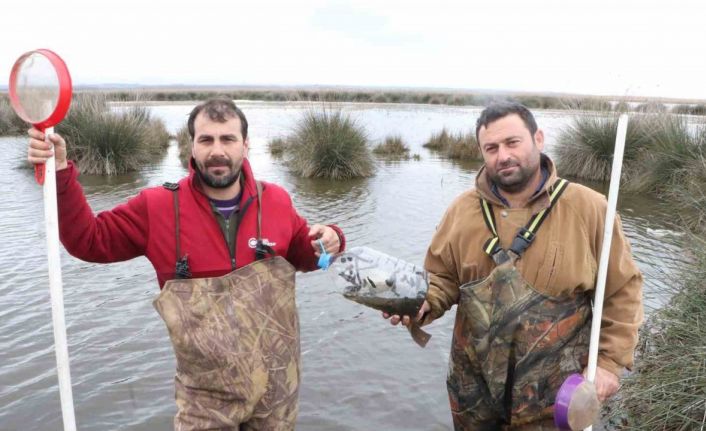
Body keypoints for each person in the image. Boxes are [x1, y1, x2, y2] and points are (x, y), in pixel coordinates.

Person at [27, 97, 345, 431]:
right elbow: (89, 241)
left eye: (228, 139)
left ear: (246, 145)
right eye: (206, 140)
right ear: (191, 146)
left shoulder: (276, 200)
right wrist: (60, 172)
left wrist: (330, 239)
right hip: (205, 404)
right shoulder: (158, 206)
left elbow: (305, 254)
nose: (217, 151)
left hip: (278, 394)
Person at [386, 102, 643, 429]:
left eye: (512, 142)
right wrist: (418, 305)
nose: (502, 155)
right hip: (473, 397)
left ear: (538, 138)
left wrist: (608, 363)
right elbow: (441, 279)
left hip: (555, 399)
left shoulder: (590, 209)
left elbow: (623, 292)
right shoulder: (461, 211)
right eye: (491, 148)